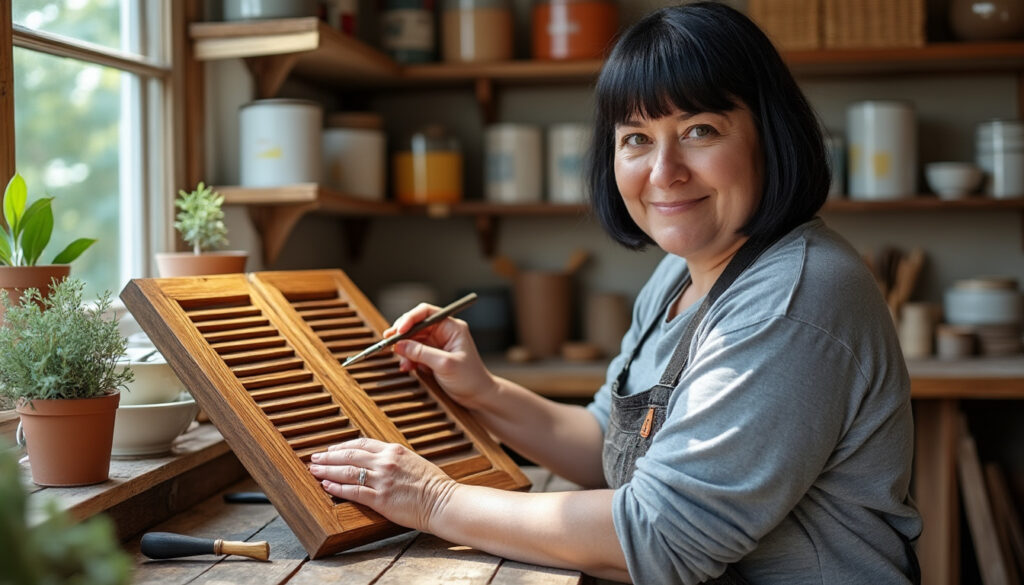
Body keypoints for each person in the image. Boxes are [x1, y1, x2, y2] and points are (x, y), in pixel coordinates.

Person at [308, 3, 922, 583]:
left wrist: (431, 497)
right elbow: (607, 443)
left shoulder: (792, 298)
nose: (663, 172)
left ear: (770, 137)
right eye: (636, 138)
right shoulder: (680, 274)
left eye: (701, 129)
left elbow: (665, 538)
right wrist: (483, 391)